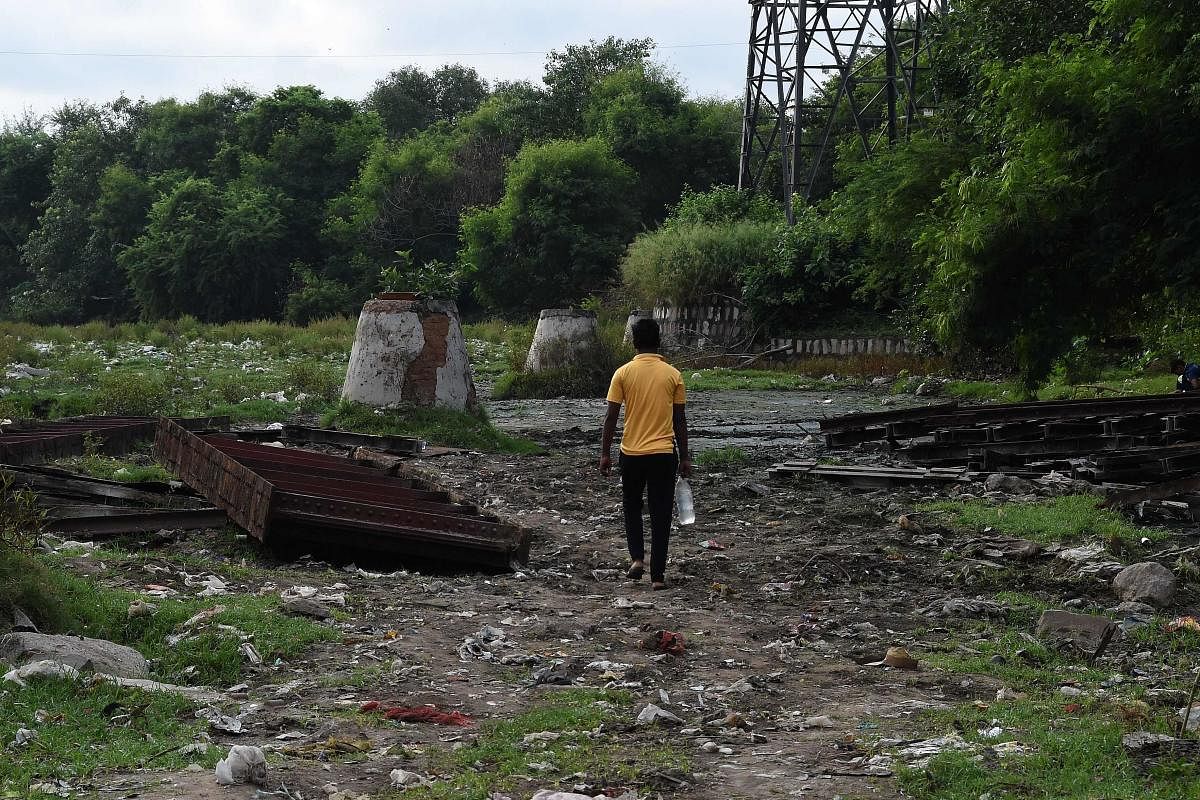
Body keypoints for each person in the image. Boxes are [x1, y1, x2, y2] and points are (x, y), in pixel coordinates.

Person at [600, 319, 692, 590]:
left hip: (631, 453)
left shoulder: (623, 373)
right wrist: (685, 457)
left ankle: (637, 558)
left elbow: (610, 417)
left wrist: (605, 453)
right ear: (658, 341)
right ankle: (658, 576)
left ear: (634, 342)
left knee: (631, 506)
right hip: (663, 454)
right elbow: (680, 421)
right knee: (661, 513)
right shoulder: (672, 374)